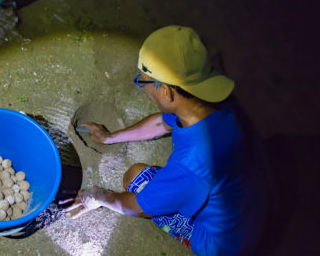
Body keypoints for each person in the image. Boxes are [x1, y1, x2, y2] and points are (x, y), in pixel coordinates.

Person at [63, 25, 269, 255]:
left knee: (134, 176)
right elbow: (162, 122)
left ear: (168, 93)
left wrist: (99, 196)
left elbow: (139, 208)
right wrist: (110, 137)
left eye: (144, 83)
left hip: (226, 243)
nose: (144, 89)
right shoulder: (215, 99)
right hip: (258, 201)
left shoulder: (191, 165)